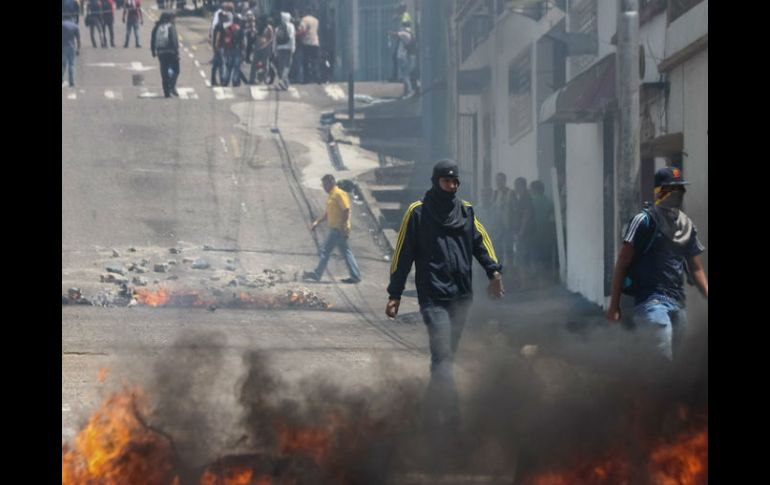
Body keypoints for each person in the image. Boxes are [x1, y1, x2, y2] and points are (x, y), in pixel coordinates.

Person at [386, 160, 504, 434]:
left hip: (461, 298)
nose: (451, 186)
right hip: (433, 297)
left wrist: (494, 273)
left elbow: (481, 243)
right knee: (443, 358)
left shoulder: (466, 211)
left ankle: (426, 416)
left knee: (444, 359)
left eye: (455, 182)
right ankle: (453, 423)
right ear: (435, 181)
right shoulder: (418, 212)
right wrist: (395, 293)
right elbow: (402, 254)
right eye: (446, 181)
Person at [606, 166, 707, 362]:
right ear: (659, 192)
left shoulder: (686, 226)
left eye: (680, 189)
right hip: (651, 301)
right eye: (672, 189)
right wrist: (614, 306)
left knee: (675, 364)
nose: (678, 194)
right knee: (661, 360)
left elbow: (697, 269)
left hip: (678, 303)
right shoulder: (643, 220)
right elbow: (622, 264)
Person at [302, 175, 362, 284]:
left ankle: (317, 274)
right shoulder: (331, 195)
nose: (324, 187)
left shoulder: (338, 193)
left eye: (325, 184)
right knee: (346, 252)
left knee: (326, 251)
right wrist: (318, 222)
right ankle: (355, 276)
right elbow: (328, 213)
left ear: (331, 183)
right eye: (323, 185)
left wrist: (342, 226)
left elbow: (346, 210)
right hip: (337, 228)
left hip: (338, 229)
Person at [528, 180, 556, 287]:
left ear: (534, 189)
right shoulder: (549, 201)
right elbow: (552, 219)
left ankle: (538, 282)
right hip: (547, 235)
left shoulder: (530, 201)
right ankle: (546, 281)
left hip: (533, 235)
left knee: (535, 258)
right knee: (546, 259)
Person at [510, 176, 534, 288]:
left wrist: (521, 231)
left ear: (522, 186)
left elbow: (526, 215)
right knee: (521, 258)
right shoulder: (520, 198)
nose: (515, 188)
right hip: (521, 233)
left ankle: (525, 283)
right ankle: (524, 282)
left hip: (524, 234)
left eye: (517, 185)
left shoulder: (526, 198)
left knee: (522, 258)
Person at [151, 12, 180, 98]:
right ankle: (171, 86)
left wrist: (153, 50)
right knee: (176, 70)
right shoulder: (171, 27)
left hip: (161, 52)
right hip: (171, 52)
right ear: (170, 18)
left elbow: (152, 39)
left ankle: (166, 92)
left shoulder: (157, 26)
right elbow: (174, 40)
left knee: (164, 71)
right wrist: (176, 51)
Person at [490, 172, 514, 268]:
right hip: (497, 226)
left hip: (508, 225)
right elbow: (492, 207)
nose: (498, 182)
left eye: (500, 180)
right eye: (497, 180)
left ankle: (510, 268)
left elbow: (514, 209)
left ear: (504, 181)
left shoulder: (510, 192)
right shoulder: (495, 193)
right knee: (497, 248)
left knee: (508, 248)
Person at [388, 20, 415, 98]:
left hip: (403, 57)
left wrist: (389, 32)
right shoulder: (410, 34)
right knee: (405, 75)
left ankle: (409, 91)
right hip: (406, 57)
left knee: (405, 75)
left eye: (402, 26)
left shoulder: (404, 33)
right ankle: (406, 92)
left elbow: (395, 34)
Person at [218, 12, 245, 86]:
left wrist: (226, 48)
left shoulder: (229, 27)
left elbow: (226, 38)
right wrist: (243, 51)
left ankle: (226, 81)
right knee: (236, 66)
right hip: (237, 49)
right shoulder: (240, 28)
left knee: (229, 66)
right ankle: (235, 81)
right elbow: (242, 42)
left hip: (229, 49)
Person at [297, 8, 320, 84]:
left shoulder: (304, 20)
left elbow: (302, 30)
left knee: (305, 62)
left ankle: (306, 79)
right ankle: (317, 78)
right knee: (315, 61)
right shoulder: (316, 20)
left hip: (306, 43)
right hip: (315, 42)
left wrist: (297, 35)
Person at [275, 11, 296, 90]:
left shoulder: (278, 27)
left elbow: (275, 40)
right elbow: (292, 38)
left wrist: (275, 50)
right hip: (288, 48)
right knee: (288, 65)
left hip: (280, 49)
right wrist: (293, 48)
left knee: (281, 65)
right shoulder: (291, 26)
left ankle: (284, 82)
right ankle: (284, 80)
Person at [62, 18, 81, 87]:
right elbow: (78, 39)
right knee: (71, 64)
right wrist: (78, 49)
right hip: (72, 47)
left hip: (63, 46)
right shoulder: (75, 26)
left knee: (63, 65)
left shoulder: (63, 24)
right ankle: (72, 82)